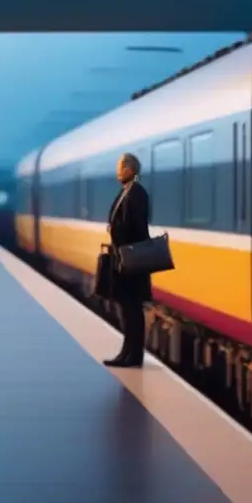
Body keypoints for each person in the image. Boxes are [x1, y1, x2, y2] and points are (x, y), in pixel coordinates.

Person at [103, 152, 152, 368]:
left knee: (132, 309)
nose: (117, 171)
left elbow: (136, 227)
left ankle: (133, 355)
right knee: (128, 308)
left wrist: (117, 232)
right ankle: (127, 352)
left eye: (120, 167)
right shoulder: (129, 191)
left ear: (130, 169)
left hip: (132, 261)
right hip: (126, 259)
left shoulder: (136, 193)